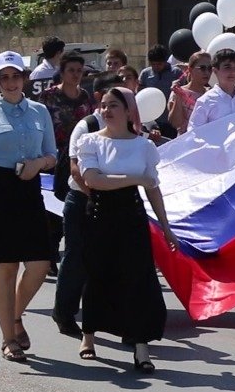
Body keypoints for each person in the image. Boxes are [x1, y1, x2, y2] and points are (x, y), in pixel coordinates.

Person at [75, 87, 179, 372]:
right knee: (98, 275)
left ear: (128, 110)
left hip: (132, 217)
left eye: (114, 105)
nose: (107, 111)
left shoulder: (143, 146)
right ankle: (89, 335)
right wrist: (135, 177)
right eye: (104, 105)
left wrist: (167, 228)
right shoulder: (91, 142)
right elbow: (94, 180)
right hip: (99, 214)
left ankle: (141, 348)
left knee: (138, 280)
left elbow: (153, 189)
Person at [0, 52, 58, 362]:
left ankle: (15, 315)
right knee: (7, 268)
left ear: (24, 78)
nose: (11, 82)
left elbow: (52, 155)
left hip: (29, 189)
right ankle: (8, 338)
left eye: (15, 76)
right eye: (4, 77)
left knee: (40, 265)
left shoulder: (40, 111)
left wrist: (37, 165)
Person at [37, 53, 98, 270]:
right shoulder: (48, 97)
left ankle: (65, 247)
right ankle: (50, 250)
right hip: (54, 155)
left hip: (78, 156)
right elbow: (40, 125)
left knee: (71, 202)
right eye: (71, 70)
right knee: (53, 205)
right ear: (62, 73)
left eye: (79, 71)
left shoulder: (86, 98)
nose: (76, 75)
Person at [187, 49, 235, 131]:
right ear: (215, 71)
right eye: (227, 67)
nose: (233, 72)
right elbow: (193, 132)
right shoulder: (206, 101)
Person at [139, 45, 181, 137]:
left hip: (170, 122)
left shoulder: (176, 73)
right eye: (153, 64)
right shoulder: (145, 74)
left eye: (159, 64)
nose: (156, 67)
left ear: (165, 62)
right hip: (150, 122)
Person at [167, 51, 211, 134]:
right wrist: (178, 96)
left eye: (210, 68)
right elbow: (176, 123)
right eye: (202, 68)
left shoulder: (211, 93)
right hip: (186, 143)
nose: (207, 72)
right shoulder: (179, 91)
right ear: (190, 69)